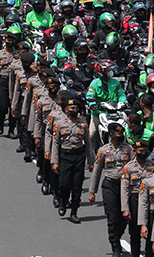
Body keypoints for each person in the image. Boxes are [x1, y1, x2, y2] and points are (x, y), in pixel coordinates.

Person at [89, 123, 133, 254]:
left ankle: (117, 236)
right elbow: (96, 172)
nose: (121, 136)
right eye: (119, 134)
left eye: (122, 134)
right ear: (112, 135)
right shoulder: (103, 151)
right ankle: (115, 246)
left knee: (124, 217)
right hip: (110, 186)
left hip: (125, 187)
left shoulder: (128, 149)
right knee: (112, 217)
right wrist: (92, 191)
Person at [51, 94, 94, 223]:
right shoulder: (60, 123)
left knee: (77, 186)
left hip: (79, 156)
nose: (74, 110)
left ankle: (74, 212)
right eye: (71, 108)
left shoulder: (82, 123)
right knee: (64, 184)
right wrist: (54, 161)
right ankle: (63, 202)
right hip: (65, 156)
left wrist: (91, 162)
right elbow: (55, 143)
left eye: (76, 107)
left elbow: (88, 143)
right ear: (66, 110)